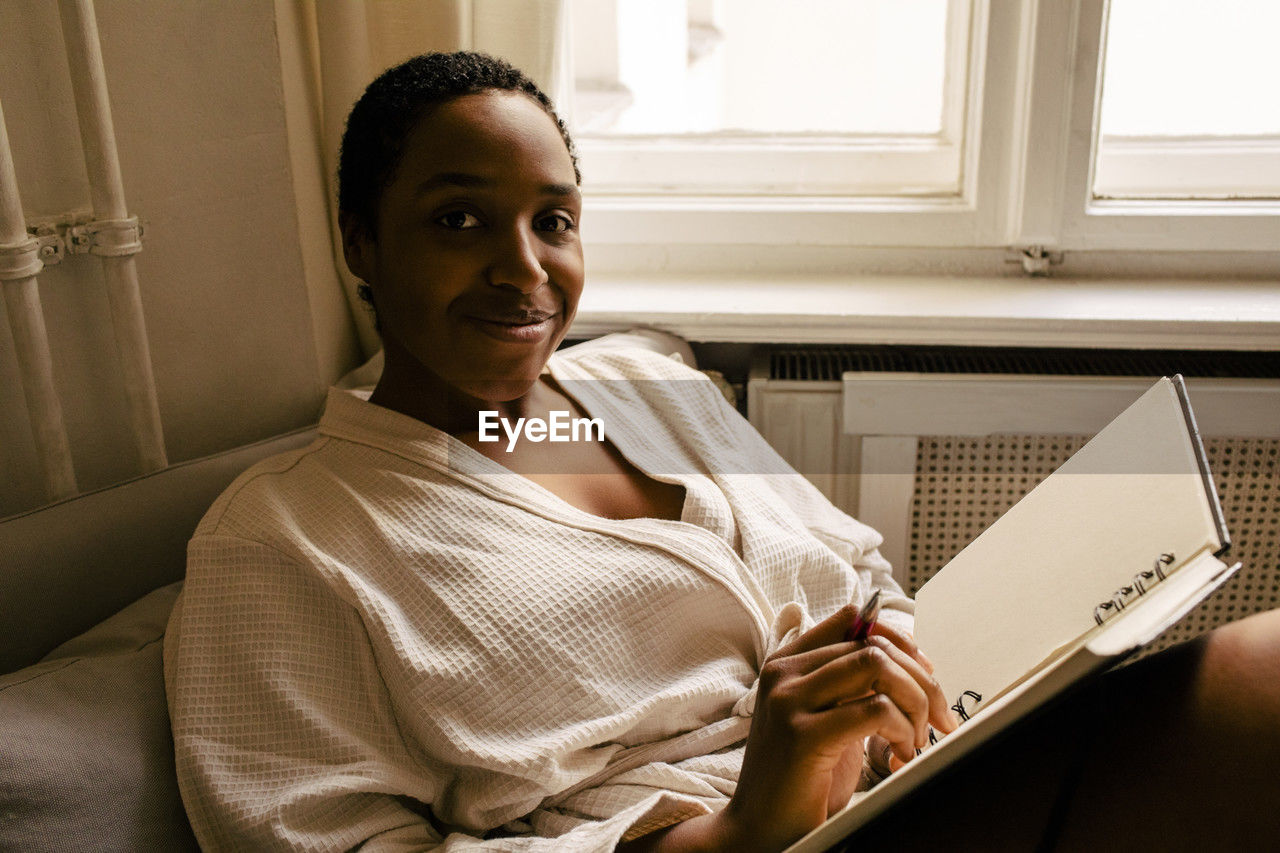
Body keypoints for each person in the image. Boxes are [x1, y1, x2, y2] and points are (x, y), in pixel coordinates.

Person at [164, 51, 1280, 852]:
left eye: (552, 221)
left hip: (902, 772)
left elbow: (856, 569)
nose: (525, 269)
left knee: (1258, 666)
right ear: (361, 240)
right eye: (459, 220)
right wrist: (741, 820)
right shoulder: (282, 539)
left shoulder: (647, 385)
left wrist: (886, 650)